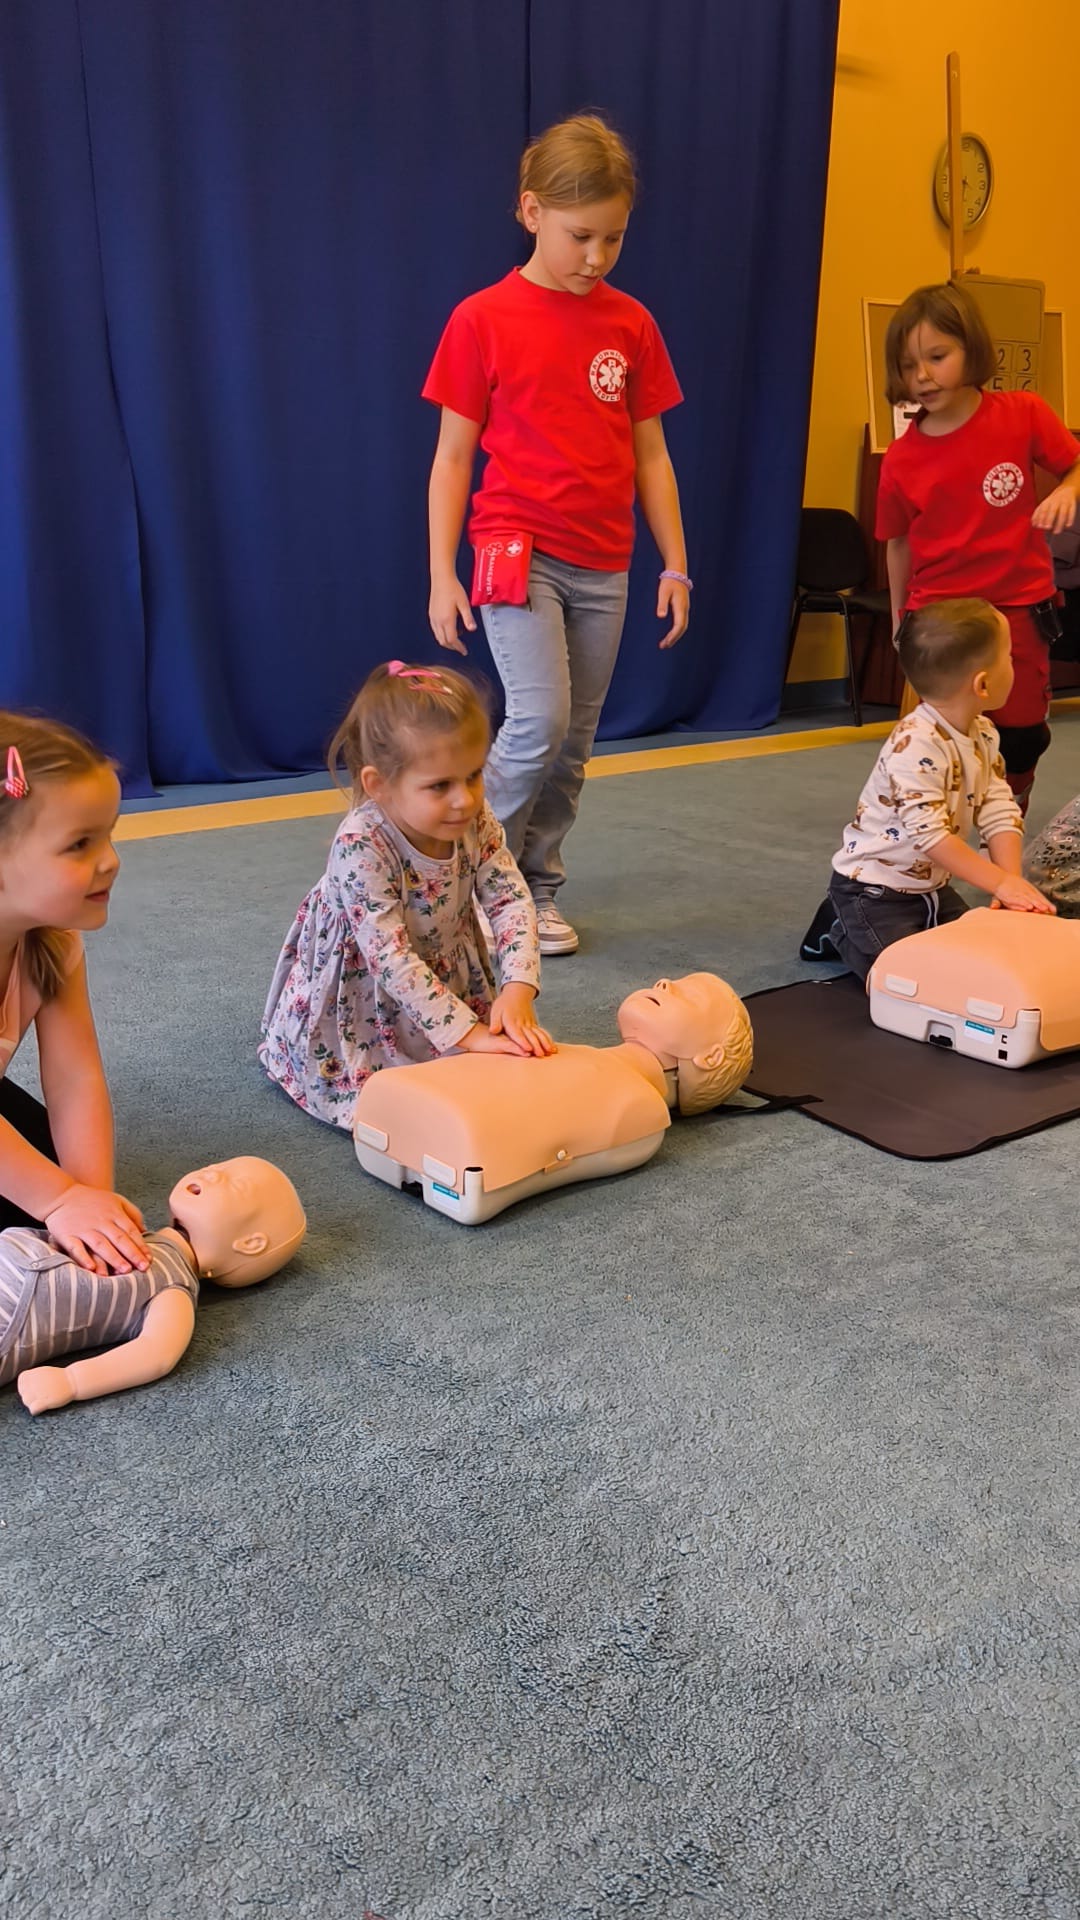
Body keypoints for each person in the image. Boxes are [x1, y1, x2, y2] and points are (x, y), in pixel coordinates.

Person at [423, 113, 690, 957]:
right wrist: (442, 573)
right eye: (581, 236)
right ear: (531, 210)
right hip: (515, 547)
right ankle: (466, 881)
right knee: (538, 720)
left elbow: (651, 454)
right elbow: (453, 458)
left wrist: (676, 564)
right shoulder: (481, 318)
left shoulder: (631, 325)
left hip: (604, 560)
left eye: (614, 238)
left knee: (572, 744)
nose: (597, 257)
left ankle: (535, 891)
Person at [259, 661, 554, 1130]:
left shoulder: (475, 820)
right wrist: (470, 1034)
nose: (464, 799)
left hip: (441, 966)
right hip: (368, 985)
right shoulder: (361, 843)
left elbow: (509, 899)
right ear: (379, 785)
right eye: (440, 786)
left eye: (474, 775)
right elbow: (389, 958)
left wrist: (518, 986)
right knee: (393, 1101)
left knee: (478, 1076)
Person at [874, 280, 1080, 812]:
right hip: (940, 617)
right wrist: (900, 619)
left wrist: (1067, 489)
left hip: (1018, 609)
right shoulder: (901, 459)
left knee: (1022, 734)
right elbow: (898, 544)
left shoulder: (1022, 413)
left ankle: (1006, 820)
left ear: (971, 349)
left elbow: (1074, 463)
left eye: (937, 357)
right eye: (909, 365)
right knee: (945, 742)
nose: (922, 375)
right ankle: (943, 833)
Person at [354, 973, 754, 1224]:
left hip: (459, 1142)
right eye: (674, 981)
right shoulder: (587, 1059)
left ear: (710, 1057)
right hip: (447, 1135)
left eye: (689, 994)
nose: (665, 982)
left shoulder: (643, 1109)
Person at [800, 600, 1055, 982]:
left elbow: (999, 809)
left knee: (978, 955)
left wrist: (1010, 882)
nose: (1014, 665)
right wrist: (999, 882)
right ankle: (838, 927)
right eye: (1009, 657)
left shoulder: (983, 733)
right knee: (907, 979)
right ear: (982, 684)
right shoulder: (914, 744)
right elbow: (931, 836)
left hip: (929, 888)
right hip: (873, 891)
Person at [0, 712, 149, 1275]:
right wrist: (60, 1200)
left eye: (108, 834)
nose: (110, 860)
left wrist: (91, 1201)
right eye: (80, 844)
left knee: (47, 1187)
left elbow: (74, 1078)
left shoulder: (53, 942)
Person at [7, 1156, 307, 1414]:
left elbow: (157, 1353)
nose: (212, 1173)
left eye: (236, 1185)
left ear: (250, 1244)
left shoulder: (174, 1286)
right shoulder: (128, 1230)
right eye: (217, 1166)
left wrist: (72, 1381)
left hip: (13, 1311)